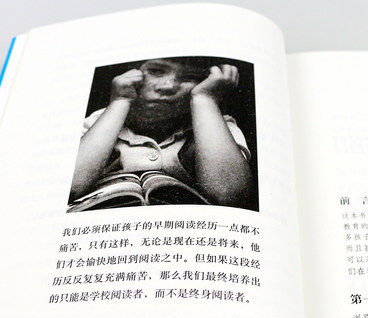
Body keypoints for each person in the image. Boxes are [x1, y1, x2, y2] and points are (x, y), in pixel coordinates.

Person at [70, 57, 253, 208]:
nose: (168, 86)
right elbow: (71, 188)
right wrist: (120, 101)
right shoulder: (101, 121)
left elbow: (229, 196)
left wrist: (205, 99)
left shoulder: (216, 124)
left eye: (190, 77)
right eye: (156, 72)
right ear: (128, 74)